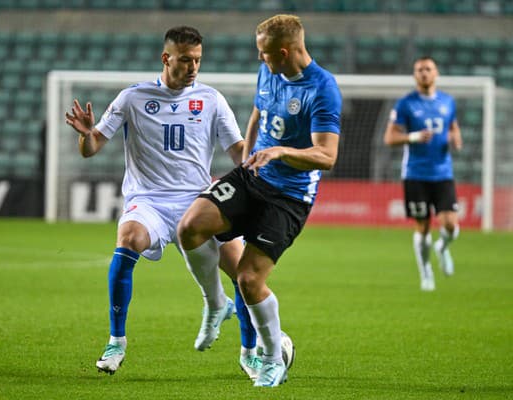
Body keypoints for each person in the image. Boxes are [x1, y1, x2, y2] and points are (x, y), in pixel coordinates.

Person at [64, 26, 261, 378]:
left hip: (198, 200)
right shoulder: (132, 97)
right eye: (185, 60)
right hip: (149, 200)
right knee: (127, 241)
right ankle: (116, 342)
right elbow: (92, 148)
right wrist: (86, 135)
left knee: (241, 267)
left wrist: (260, 160)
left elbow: (238, 154)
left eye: (198, 60)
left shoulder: (212, 100)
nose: (193, 67)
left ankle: (250, 352)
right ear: (166, 58)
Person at [177, 14, 342, 387]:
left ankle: (272, 357)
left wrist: (281, 152)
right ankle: (217, 303)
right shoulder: (269, 71)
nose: (260, 60)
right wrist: (249, 156)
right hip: (253, 176)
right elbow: (257, 113)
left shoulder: (322, 89)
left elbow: (327, 156)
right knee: (189, 228)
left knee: (251, 279)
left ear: (285, 52)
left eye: (264, 54)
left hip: (289, 196)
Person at [383, 56, 462, 292]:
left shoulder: (448, 102)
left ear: (436, 73)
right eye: (419, 70)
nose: (424, 73)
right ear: (415, 75)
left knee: (450, 225)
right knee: (423, 226)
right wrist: (413, 137)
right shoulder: (405, 104)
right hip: (415, 174)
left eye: (428, 69)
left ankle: (443, 247)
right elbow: (389, 138)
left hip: (443, 173)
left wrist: (456, 137)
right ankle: (426, 271)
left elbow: (453, 126)